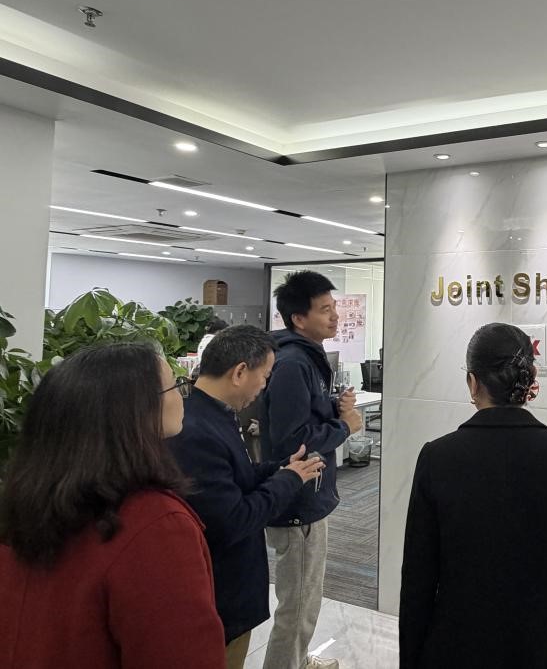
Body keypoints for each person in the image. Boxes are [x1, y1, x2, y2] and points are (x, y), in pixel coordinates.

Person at [399, 322, 547, 669]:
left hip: (459, 649)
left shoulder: (437, 458)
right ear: (530, 380)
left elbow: (418, 579)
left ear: (473, 382)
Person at [0, 342, 225, 668]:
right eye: (175, 386)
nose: (182, 394)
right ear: (136, 413)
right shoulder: (155, 527)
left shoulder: (25, 507)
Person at [168, 325, 326, 669]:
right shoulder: (195, 431)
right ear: (240, 372)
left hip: (229, 591)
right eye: (264, 376)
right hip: (220, 596)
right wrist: (288, 480)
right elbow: (234, 519)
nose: (265, 386)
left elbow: (235, 477)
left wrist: (279, 467)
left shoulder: (212, 412)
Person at [261, 271, 363, 669]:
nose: (335, 316)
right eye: (324, 309)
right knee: (298, 604)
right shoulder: (292, 363)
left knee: (305, 598)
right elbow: (292, 441)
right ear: (298, 319)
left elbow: (303, 417)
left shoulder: (306, 357)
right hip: (297, 499)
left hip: (308, 493)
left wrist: (334, 408)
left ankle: (299, 660)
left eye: (334, 307)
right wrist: (344, 426)